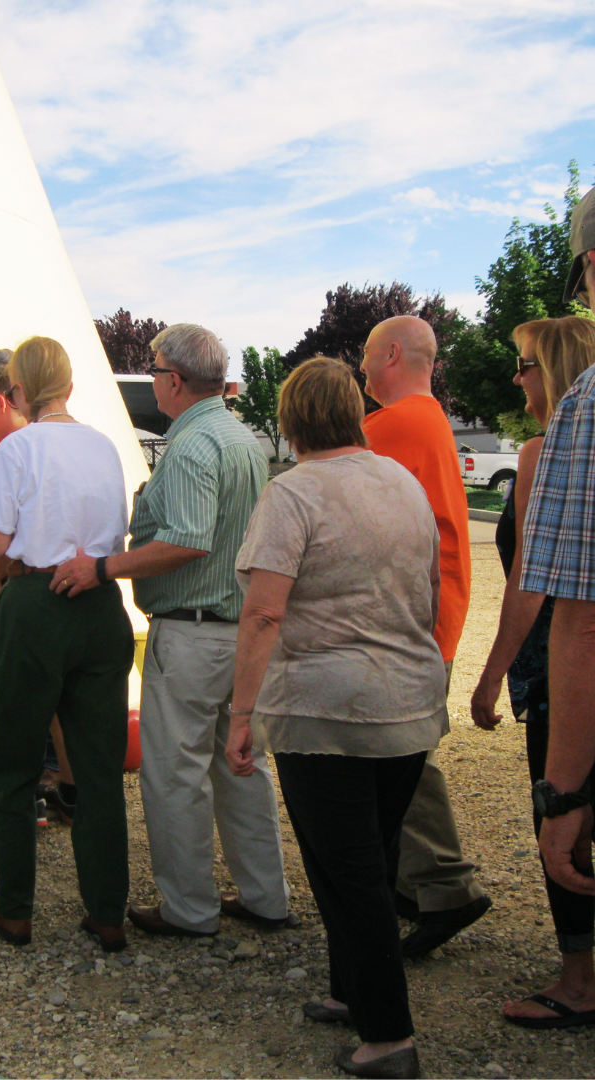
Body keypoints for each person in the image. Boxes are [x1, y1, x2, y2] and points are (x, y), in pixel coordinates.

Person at [227, 356, 446, 1080]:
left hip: (328, 710)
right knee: (370, 859)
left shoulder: (295, 493)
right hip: (407, 700)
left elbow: (262, 611)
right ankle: (348, 989)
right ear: (353, 410)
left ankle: (389, 1037)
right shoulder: (401, 482)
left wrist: (241, 715)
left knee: (345, 870)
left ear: (290, 421)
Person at [54, 323, 292, 938]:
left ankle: (190, 908)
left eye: (156, 368)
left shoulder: (189, 446)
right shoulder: (240, 437)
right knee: (241, 765)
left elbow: (186, 539)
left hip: (191, 633)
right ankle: (267, 896)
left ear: (175, 380)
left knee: (175, 773)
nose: (154, 378)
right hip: (240, 630)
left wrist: (102, 567)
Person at [0, 336, 135, 951]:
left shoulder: (16, 448)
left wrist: (4, 544)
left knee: (15, 765)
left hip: (36, 605)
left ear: (16, 392)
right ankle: (107, 912)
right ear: (68, 387)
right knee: (98, 771)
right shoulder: (103, 447)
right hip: (97, 604)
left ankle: (15, 908)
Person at [472, 316, 595, 1028]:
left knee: (562, 808)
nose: (516, 376)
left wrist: (490, 675)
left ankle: (579, 978)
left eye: (523, 364)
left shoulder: (546, 449)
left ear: (552, 369)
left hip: (562, 669)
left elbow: (529, 584)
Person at [361, 314, 492, 956]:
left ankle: (444, 887)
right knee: (403, 756)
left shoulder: (392, 426)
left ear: (390, 354)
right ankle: (423, 884)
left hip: (405, 625)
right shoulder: (430, 418)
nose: (360, 372)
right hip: (432, 619)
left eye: (364, 359)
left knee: (399, 760)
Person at [520, 191, 595, 923]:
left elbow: (577, 616)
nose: (518, 378)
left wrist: (564, 792)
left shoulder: (583, 415)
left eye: (525, 364)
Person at [0, 363, 77, 829]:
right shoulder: (73, 444)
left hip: (27, 589)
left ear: (4, 399)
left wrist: (0, 572)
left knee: (20, 694)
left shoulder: (13, 451)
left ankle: (28, 791)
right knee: (51, 700)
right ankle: (64, 788)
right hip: (68, 585)